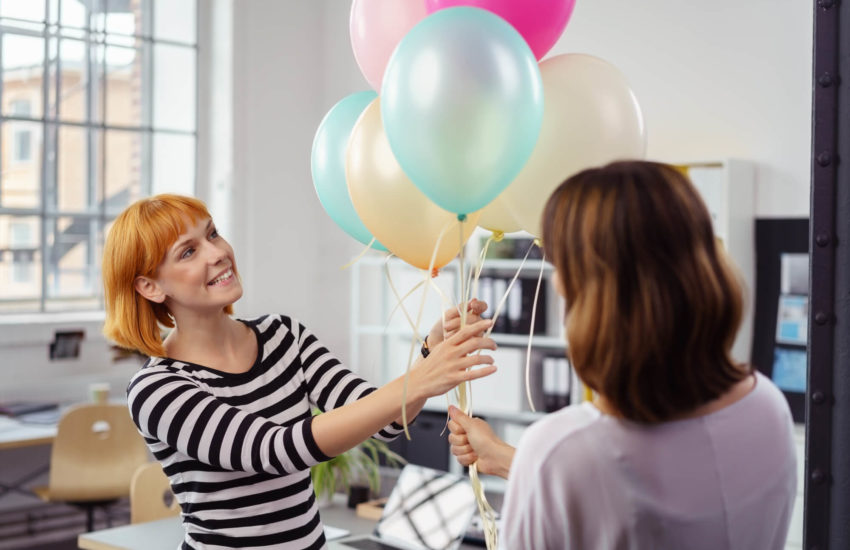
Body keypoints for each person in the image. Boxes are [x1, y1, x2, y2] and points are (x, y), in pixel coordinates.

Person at [102, 194, 497, 550]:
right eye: (188, 252)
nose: (217, 252)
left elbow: (386, 422)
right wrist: (425, 376)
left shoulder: (282, 335)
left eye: (213, 234)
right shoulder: (157, 389)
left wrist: (429, 355)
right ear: (150, 287)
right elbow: (278, 451)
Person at [447, 161, 797, 549]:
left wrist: (533, 465)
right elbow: (664, 488)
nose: (559, 284)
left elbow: (601, 477)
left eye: (564, 267)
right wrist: (506, 458)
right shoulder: (767, 405)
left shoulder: (561, 450)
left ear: (597, 293)